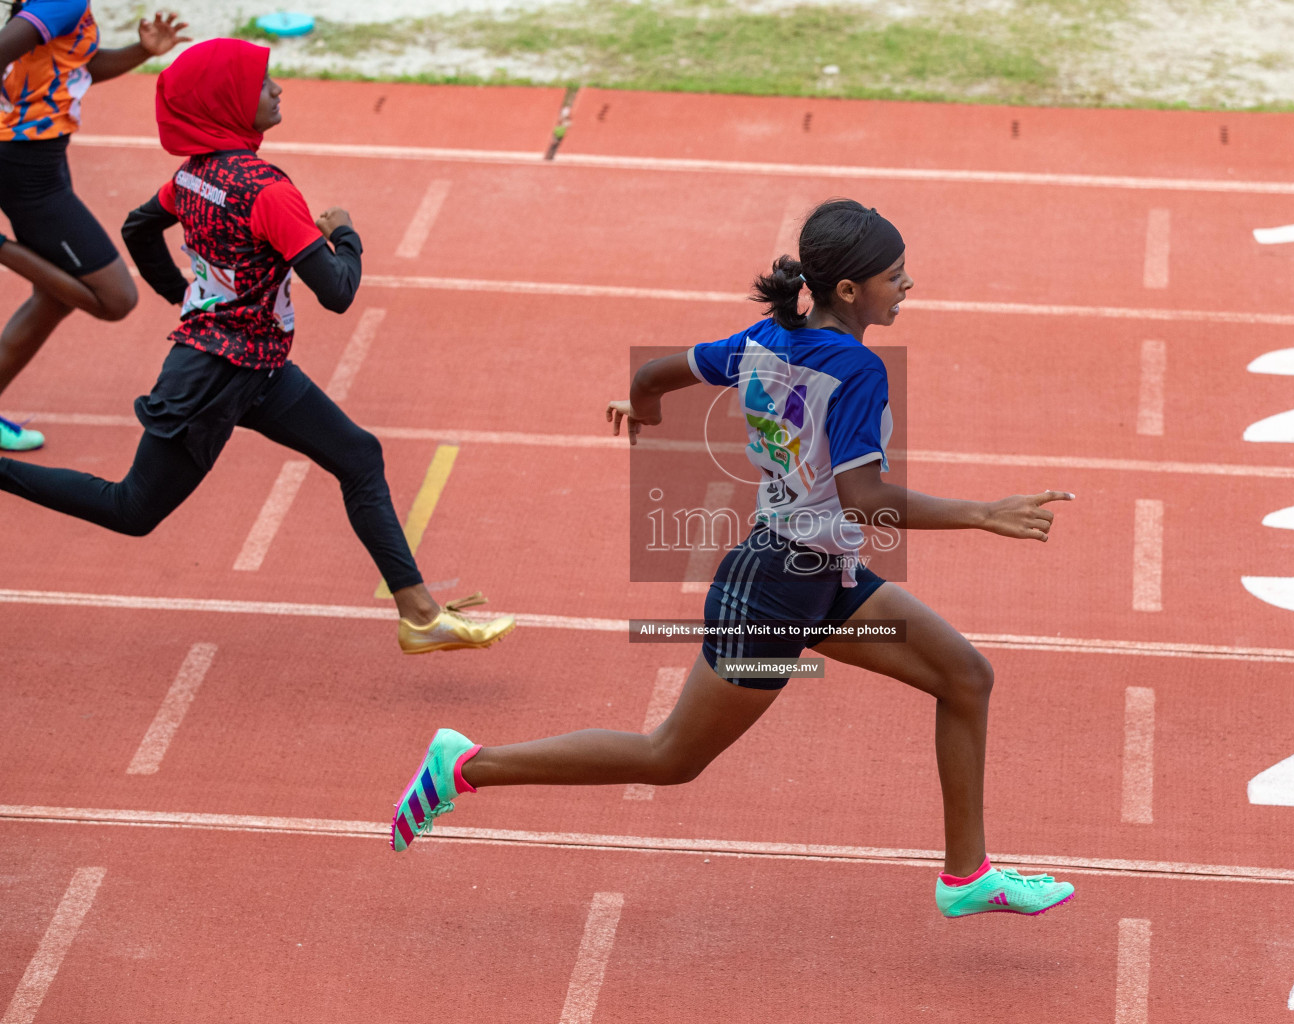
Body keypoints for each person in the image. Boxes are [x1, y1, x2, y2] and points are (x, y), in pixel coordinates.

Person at [389, 199, 1077, 918]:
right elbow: (863, 498)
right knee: (670, 758)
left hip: (823, 577)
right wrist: (983, 513)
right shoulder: (856, 369)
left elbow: (657, 372)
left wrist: (642, 405)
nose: (908, 287)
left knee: (965, 678)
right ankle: (465, 765)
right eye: (895, 277)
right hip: (776, 591)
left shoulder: (765, 337)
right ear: (848, 291)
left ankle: (967, 878)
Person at [0, 38, 515, 655]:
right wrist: (346, 233)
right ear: (228, 103)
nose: (278, 90)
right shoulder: (269, 193)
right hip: (212, 378)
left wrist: (184, 295)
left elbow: (139, 227)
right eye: (262, 84)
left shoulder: (192, 176)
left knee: (357, 455)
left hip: (257, 366)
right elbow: (339, 292)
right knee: (131, 510)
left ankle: (421, 616)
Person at [0, 2, 191, 450]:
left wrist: (141, 51)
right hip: (27, 168)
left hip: (38, 158)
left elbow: (75, 67)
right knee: (114, 298)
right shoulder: (60, 0)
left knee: (55, 296)